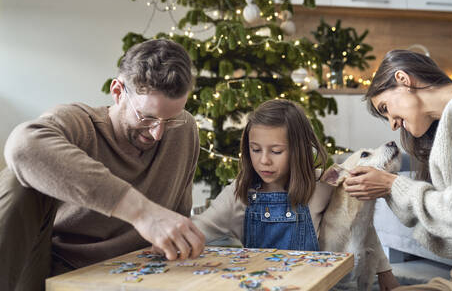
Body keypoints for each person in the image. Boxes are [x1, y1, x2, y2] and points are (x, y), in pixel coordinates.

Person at [0, 39, 205, 291]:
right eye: (147, 117)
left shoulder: (183, 129)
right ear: (118, 92)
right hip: (58, 267)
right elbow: (22, 147)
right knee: (16, 180)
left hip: (136, 271)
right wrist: (142, 212)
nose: (157, 133)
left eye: (170, 119)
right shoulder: (81, 124)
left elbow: (178, 214)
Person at [191, 99, 398, 290]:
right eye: (255, 149)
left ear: (299, 150)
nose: (264, 160)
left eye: (276, 151)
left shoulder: (323, 184)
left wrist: (384, 269)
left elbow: (360, 223)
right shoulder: (239, 193)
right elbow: (199, 228)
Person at [344, 49, 452, 290]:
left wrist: (392, 185)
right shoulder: (449, 126)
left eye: (385, 108)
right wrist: (387, 188)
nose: (392, 124)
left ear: (403, 79)